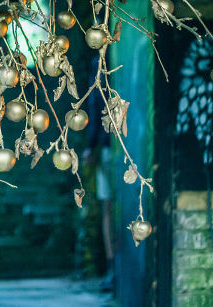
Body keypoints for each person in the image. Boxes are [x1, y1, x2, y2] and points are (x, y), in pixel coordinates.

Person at [83, 55, 115, 292]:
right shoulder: (103, 61)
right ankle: (114, 267)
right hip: (109, 146)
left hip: (107, 147)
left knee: (109, 209)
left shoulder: (100, 62)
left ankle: (114, 268)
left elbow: (96, 103)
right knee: (109, 209)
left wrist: (90, 145)